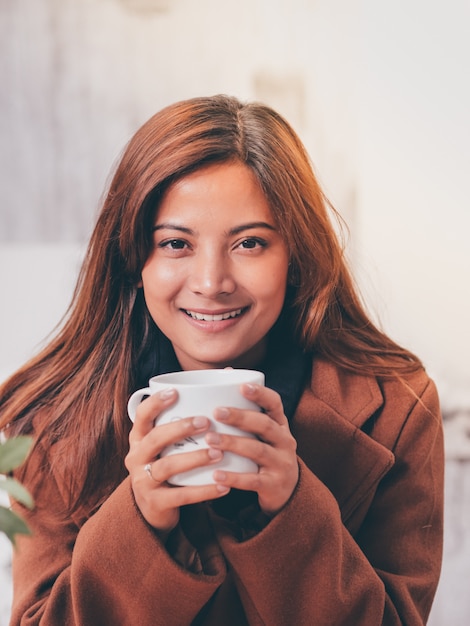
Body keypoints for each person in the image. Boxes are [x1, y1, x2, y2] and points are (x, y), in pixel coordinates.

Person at [0, 94, 443, 625]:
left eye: (250, 243)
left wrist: (293, 509)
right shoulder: (52, 420)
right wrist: (137, 525)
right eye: (175, 244)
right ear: (133, 257)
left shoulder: (399, 407)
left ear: (296, 257)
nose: (212, 283)